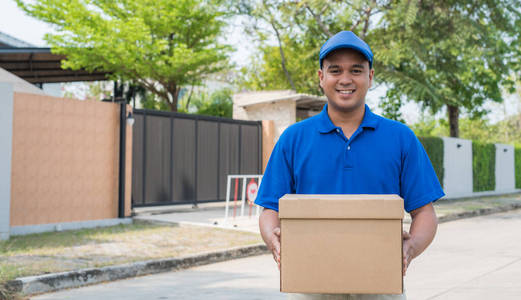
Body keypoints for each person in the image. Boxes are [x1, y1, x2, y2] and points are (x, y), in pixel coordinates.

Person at [254, 31, 445, 300]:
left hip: (380, 284)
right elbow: (269, 208)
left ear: (370, 77)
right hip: (310, 283)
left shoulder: (400, 138)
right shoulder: (294, 139)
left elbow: (425, 212)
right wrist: (275, 241)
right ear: (321, 78)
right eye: (335, 70)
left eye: (356, 70)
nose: (345, 79)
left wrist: (410, 247)